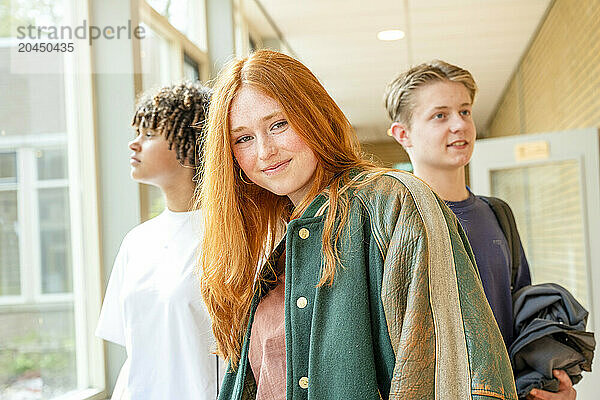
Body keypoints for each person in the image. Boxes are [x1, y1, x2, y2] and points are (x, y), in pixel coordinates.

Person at [198, 49, 516, 400]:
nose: (264, 151)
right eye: (243, 138)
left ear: (314, 115)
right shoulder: (261, 241)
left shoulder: (392, 201)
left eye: (279, 124)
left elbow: (451, 368)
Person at [384, 60, 576, 400]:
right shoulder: (393, 225)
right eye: (440, 115)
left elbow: (520, 317)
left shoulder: (497, 213)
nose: (460, 124)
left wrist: (546, 385)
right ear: (403, 134)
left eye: (465, 111)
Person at [95, 82, 221, 399]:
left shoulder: (234, 238)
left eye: (149, 134)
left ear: (193, 143)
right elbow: (137, 357)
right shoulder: (136, 242)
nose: (133, 144)